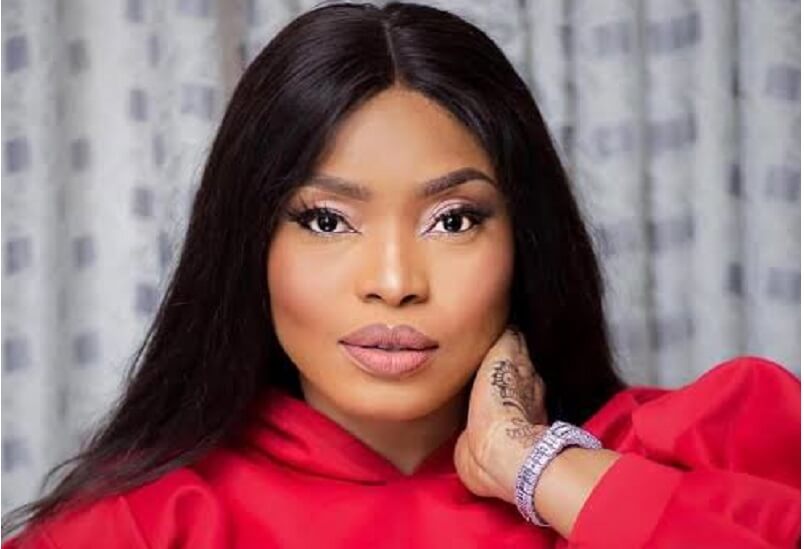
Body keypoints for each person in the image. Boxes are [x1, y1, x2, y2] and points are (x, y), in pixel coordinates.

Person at [2, 2, 800, 547]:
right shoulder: (145, 526)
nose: (393, 280)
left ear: (526, 237)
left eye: (453, 220)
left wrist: (534, 465)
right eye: (326, 220)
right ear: (249, 245)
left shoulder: (674, 455)